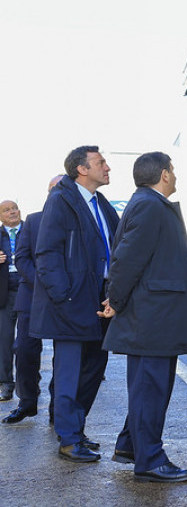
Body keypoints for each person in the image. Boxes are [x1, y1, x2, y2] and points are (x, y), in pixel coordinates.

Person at [101, 152, 187, 483]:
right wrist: (115, 299)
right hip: (152, 317)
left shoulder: (150, 203)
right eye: (173, 169)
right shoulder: (148, 204)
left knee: (150, 387)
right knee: (150, 388)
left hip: (156, 316)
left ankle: (132, 446)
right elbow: (126, 258)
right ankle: (150, 460)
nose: (175, 174)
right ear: (164, 175)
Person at [31, 146, 118, 463]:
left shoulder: (101, 203)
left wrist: (116, 290)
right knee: (68, 374)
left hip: (102, 300)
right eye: (100, 162)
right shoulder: (61, 200)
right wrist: (63, 296)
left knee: (93, 371)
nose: (107, 167)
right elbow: (47, 253)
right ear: (82, 169)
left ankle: (77, 431)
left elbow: (116, 248)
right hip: (70, 301)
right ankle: (68, 440)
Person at [3, 176, 63, 424]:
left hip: (64, 299)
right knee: (24, 351)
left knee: (65, 357)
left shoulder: (77, 221)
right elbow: (22, 258)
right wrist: (43, 283)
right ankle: (27, 403)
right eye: (53, 189)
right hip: (32, 296)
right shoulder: (34, 220)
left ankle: (57, 408)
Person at [0, 200, 23, 402]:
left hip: (27, 292)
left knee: (27, 343)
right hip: (4, 295)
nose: (12, 212)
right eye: (6, 210)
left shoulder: (32, 230)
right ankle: (6, 384)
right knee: (4, 341)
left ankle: (28, 386)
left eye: (14, 208)